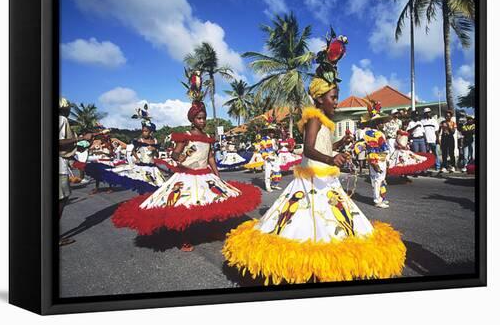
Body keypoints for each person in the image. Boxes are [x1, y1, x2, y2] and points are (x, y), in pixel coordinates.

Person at [223, 31, 405, 284]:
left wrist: (340, 144)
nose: (336, 102)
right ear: (319, 99)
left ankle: (324, 266)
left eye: (336, 97)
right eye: (333, 98)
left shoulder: (325, 122)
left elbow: (323, 147)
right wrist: (331, 160)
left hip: (326, 180)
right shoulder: (313, 118)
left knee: (333, 223)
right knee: (307, 224)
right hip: (311, 181)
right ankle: (310, 268)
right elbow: (308, 150)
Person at [112, 73, 261, 252]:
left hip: (205, 175)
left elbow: (211, 157)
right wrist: (179, 158)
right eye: (199, 118)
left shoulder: (207, 137)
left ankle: (213, 231)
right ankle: (184, 239)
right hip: (187, 176)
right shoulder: (186, 136)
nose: (203, 121)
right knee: (185, 208)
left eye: (204, 118)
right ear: (192, 119)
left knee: (212, 203)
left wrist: (217, 174)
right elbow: (175, 154)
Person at [58, 97, 92, 246]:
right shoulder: (62, 119)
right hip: (59, 167)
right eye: (69, 108)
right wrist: (81, 137)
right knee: (62, 199)